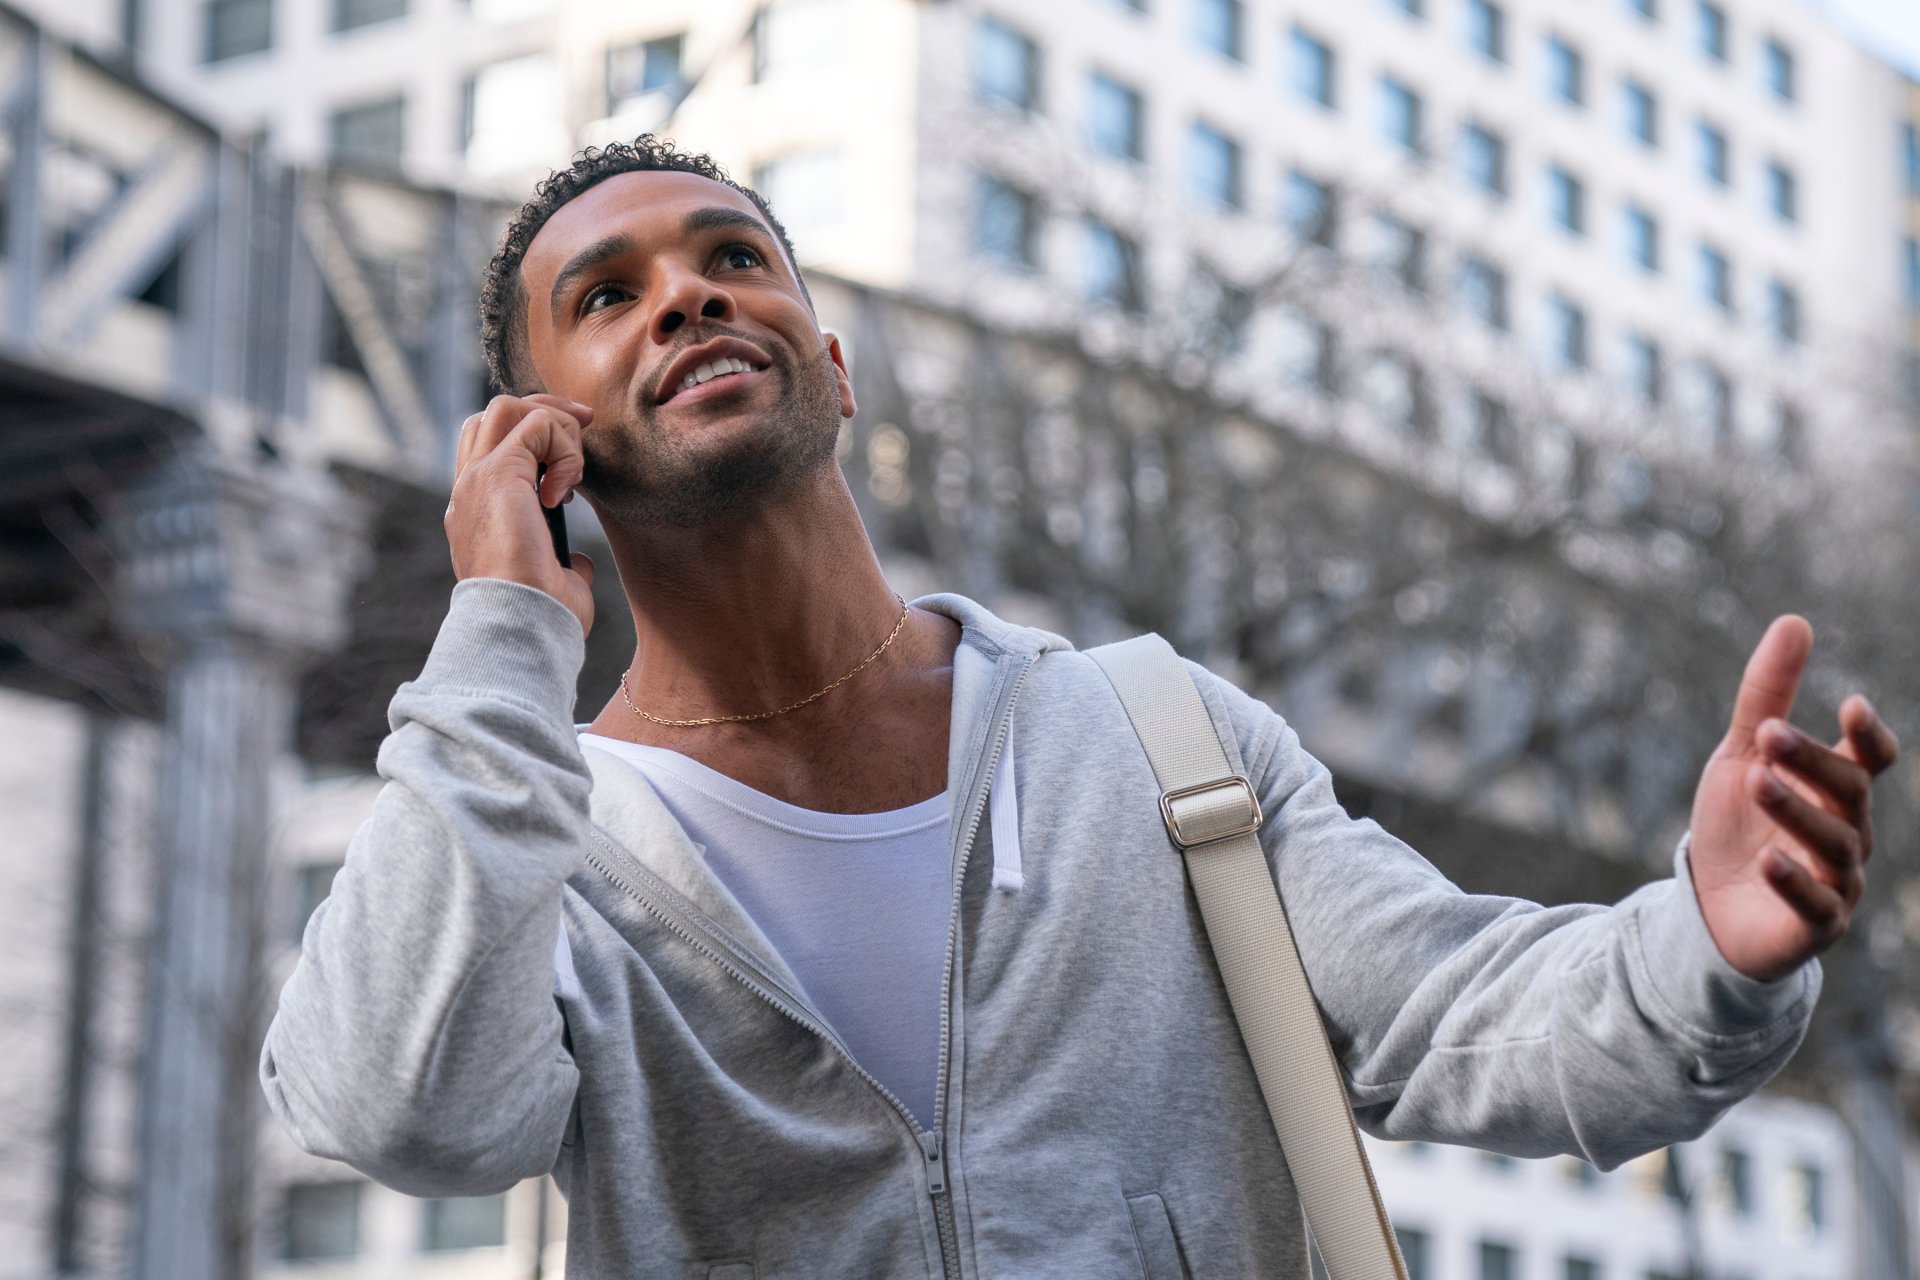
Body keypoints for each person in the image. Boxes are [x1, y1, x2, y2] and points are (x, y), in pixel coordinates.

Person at [261, 138, 1899, 1278]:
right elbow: (396, 1106)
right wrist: (495, 638)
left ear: (833, 366)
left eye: (732, 258)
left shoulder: (1156, 742)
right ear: (539, 442)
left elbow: (1486, 1024)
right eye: (605, 296)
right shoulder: (554, 853)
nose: (687, 297)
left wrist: (1712, 941)